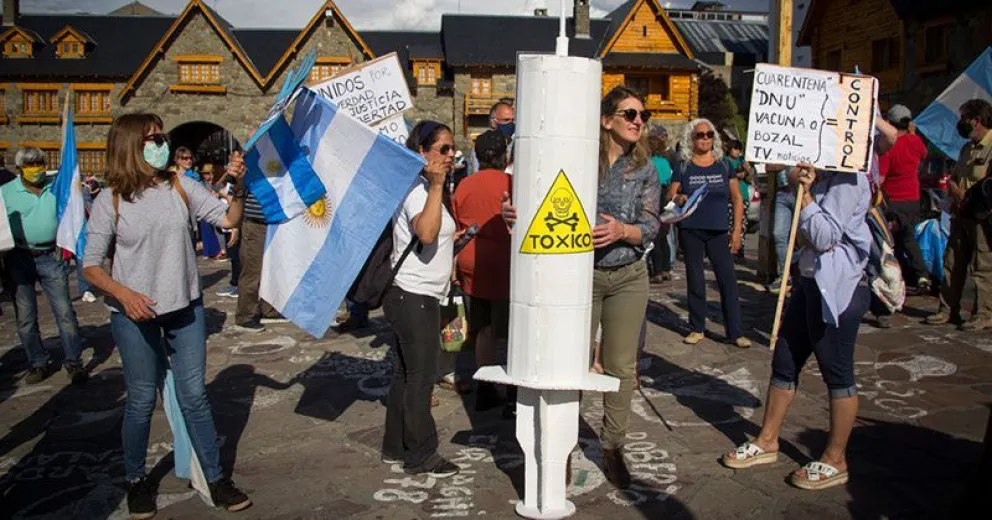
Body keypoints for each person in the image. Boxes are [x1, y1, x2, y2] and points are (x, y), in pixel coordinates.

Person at [82, 113, 252, 517]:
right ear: (130, 146)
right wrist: (124, 295)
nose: (161, 143)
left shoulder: (181, 185)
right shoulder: (112, 199)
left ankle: (215, 478)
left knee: (194, 396)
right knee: (141, 399)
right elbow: (90, 265)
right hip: (134, 315)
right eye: (153, 137)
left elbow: (228, 218)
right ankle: (137, 480)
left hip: (186, 308)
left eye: (161, 136)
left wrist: (240, 187)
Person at [502, 86, 661, 488]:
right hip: (578, 277)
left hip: (628, 275)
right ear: (607, 120)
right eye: (629, 114)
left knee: (622, 366)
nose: (638, 121)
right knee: (570, 364)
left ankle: (612, 447)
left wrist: (623, 230)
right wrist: (514, 212)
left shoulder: (646, 169)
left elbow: (653, 223)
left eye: (642, 115)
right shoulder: (578, 160)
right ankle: (564, 447)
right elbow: (543, 198)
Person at [721, 160, 872, 491]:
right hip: (809, 282)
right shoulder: (822, 176)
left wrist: (805, 199)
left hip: (838, 288)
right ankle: (767, 440)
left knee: (837, 372)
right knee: (785, 360)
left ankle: (836, 458)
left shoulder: (849, 180)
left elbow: (824, 236)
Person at [380, 120, 461, 478]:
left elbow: (434, 237)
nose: (450, 155)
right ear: (421, 153)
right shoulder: (418, 189)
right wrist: (438, 186)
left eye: (452, 148)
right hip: (414, 296)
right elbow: (426, 233)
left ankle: (395, 447)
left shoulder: (426, 189)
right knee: (420, 377)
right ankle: (421, 454)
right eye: (442, 149)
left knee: (405, 373)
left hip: (420, 294)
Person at [1, 147, 88, 385]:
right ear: (19, 168)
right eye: (30, 164)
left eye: (39, 163)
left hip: (52, 254)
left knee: (64, 311)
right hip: (19, 257)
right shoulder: (6, 192)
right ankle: (37, 362)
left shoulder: (56, 187)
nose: (36, 168)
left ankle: (74, 362)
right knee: (26, 316)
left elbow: (70, 213)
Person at [667, 119, 750, 348]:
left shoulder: (724, 165)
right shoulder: (683, 166)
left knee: (728, 281)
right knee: (695, 279)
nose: (704, 139)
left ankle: (735, 332)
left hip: (718, 230)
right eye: (699, 135)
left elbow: (737, 198)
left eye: (708, 135)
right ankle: (696, 328)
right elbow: (670, 196)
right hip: (691, 229)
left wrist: (736, 232)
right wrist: (678, 198)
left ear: (714, 138)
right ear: (691, 139)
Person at [452, 130, 514, 413]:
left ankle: (486, 387)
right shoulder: (512, 183)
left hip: (471, 261)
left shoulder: (464, 185)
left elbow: (457, 226)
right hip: (505, 262)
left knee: (484, 328)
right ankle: (514, 390)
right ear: (505, 154)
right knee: (514, 330)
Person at [926, 99, 992, 332]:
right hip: (960, 213)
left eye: (964, 118)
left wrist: (971, 197)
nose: (960, 123)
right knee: (952, 262)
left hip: (982, 216)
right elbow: (953, 178)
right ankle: (947, 309)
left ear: (977, 120)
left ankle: (983, 313)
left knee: (982, 265)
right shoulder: (966, 149)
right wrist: (956, 192)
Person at [879, 104, 931, 295]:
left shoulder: (889, 146)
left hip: (894, 200)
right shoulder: (916, 142)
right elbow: (924, 156)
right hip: (913, 198)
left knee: (901, 239)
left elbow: (880, 179)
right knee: (905, 238)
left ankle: (920, 275)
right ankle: (914, 274)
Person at [648, 126, 675, 283]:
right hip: (666, 198)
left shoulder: (649, 163)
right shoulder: (665, 162)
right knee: (664, 236)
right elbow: (669, 180)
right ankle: (666, 269)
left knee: (655, 238)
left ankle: (657, 271)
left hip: (653, 197)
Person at [726, 140, 753, 263]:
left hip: (743, 196)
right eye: (735, 149)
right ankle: (729, 247)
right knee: (730, 223)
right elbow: (728, 175)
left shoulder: (742, 161)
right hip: (730, 197)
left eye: (739, 149)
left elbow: (749, 179)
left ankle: (740, 249)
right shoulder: (725, 161)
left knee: (742, 223)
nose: (737, 152)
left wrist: (747, 171)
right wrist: (738, 173)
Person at [470, 102, 515, 173]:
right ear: (493, 122)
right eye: (506, 120)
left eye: (512, 120)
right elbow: (479, 173)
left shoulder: (515, 144)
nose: (511, 124)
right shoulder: (482, 145)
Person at [197, 164, 224, 260]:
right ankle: (208, 251)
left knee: (218, 231)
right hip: (205, 210)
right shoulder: (200, 184)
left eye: (208, 173)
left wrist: (218, 194)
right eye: (204, 173)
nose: (206, 176)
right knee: (206, 232)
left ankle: (221, 250)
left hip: (216, 209)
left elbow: (223, 193)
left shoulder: (217, 183)